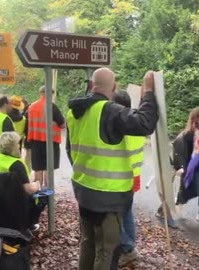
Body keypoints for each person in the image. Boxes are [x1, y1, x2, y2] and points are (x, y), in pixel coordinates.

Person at [66, 68, 158, 270]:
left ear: (91, 85)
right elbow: (145, 123)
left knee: (88, 243)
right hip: (108, 196)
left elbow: (69, 151)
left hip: (83, 191)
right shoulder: (110, 111)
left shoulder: (74, 113)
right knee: (107, 251)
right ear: (114, 88)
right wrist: (149, 93)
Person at [109, 91, 146, 268]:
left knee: (114, 216)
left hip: (121, 176)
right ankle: (129, 248)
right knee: (127, 213)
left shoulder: (122, 123)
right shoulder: (136, 123)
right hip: (134, 175)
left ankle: (128, 248)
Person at [0, 132, 44, 231]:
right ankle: (30, 224)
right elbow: (28, 189)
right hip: (14, 209)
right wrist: (37, 184)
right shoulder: (17, 164)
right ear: (13, 146)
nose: (20, 146)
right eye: (18, 144)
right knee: (41, 194)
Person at [25, 86, 65, 188]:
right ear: (51, 94)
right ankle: (49, 196)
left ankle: (38, 195)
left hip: (35, 142)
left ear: (40, 93)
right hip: (50, 143)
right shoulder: (52, 107)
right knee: (48, 169)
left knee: (38, 169)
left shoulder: (31, 107)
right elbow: (62, 124)